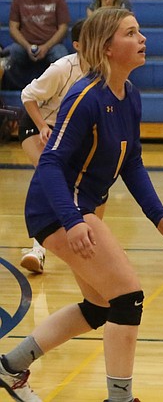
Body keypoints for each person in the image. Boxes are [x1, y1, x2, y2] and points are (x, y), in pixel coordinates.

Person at [0, 8, 163, 402]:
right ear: (108, 48)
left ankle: (10, 367)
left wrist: (159, 215)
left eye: (140, 31)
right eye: (132, 33)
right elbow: (49, 162)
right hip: (56, 208)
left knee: (100, 305)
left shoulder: (129, 95)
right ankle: (119, 398)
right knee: (127, 297)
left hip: (78, 207)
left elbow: (131, 161)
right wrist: (71, 221)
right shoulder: (84, 97)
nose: (142, 39)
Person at [16, 19, 88, 276]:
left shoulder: (103, 70)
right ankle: (37, 250)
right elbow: (27, 96)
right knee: (50, 176)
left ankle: (94, 242)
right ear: (78, 45)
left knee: (87, 183)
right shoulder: (62, 68)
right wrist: (43, 127)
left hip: (65, 132)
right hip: (37, 126)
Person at [6, 0, 70, 91]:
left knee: (62, 57)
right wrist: (27, 46)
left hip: (51, 45)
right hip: (25, 45)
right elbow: (13, 27)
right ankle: (23, 90)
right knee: (10, 56)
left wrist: (46, 47)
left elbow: (63, 28)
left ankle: (54, 91)